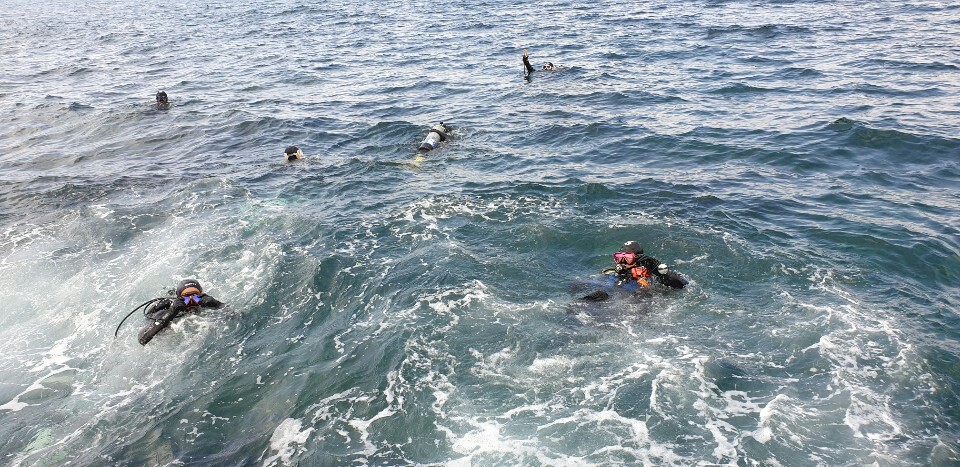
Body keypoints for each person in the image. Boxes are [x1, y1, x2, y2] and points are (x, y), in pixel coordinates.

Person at [581, 241, 687, 301]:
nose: (622, 262)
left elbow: (682, 284)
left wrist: (656, 267)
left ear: (638, 259)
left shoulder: (651, 278)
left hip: (629, 309)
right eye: (619, 258)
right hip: (604, 300)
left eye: (627, 258)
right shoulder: (610, 274)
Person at [137, 279, 224, 345]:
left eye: (195, 296)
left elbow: (234, 315)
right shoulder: (166, 311)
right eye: (186, 297)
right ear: (179, 298)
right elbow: (142, 339)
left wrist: (216, 304)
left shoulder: (205, 303)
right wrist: (171, 313)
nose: (191, 301)